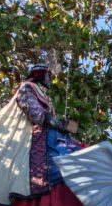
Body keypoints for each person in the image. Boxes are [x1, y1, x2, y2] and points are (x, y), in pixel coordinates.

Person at [15, 62, 83, 197]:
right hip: (36, 137)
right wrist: (58, 125)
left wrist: (63, 125)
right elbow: (33, 110)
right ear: (41, 75)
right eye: (49, 77)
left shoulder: (46, 96)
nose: (51, 81)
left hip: (52, 135)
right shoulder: (26, 87)